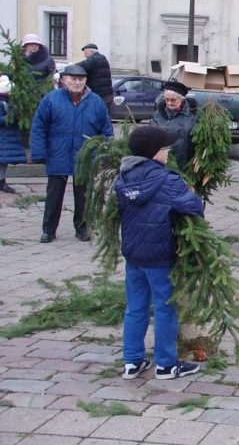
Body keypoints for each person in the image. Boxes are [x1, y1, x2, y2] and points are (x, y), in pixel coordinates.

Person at [115, 126, 204, 381]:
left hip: (133, 254)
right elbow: (193, 207)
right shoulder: (168, 180)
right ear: (154, 153)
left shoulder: (123, 177)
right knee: (165, 308)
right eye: (165, 148)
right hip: (161, 255)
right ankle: (166, 364)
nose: (168, 152)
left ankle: (132, 362)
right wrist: (196, 198)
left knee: (135, 307)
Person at [30, 64, 112, 243]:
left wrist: (105, 153)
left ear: (86, 81)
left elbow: (106, 130)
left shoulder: (96, 101)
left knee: (83, 196)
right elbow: (39, 127)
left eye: (81, 79)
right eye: (73, 79)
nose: (77, 82)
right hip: (57, 153)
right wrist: (39, 152)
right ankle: (49, 230)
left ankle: (82, 228)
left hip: (85, 156)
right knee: (54, 195)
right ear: (64, 80)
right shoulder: (51, 100)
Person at [151, 81, 196, 167]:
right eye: (166, 99)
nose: (169, 103)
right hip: (163, 163)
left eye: (173, 100)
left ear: (182, 99)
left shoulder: (193, 114)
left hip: (186, 164)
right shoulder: (158, 114)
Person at [0, 75, 27, 194]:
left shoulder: (11, 102)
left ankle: (2, 181)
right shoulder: (2, 103)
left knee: (4, 161)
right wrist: (9, 118)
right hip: (3, 135)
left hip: (8, 136)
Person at [77, 43, 114, 108]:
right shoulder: (102, 58)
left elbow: (79, 66)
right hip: (106, 94)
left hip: (100, 95)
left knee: (98, 115)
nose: (85, 56)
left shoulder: (94, 59)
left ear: (91, 52)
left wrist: (66, 69)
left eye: (86, 53)